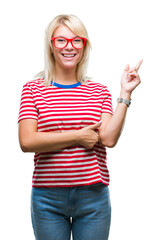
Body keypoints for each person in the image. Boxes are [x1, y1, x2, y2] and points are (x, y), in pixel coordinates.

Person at [18, 14, 143, 240]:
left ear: (84, 47)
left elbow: (108, 139)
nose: (69, 47)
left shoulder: (99, 91)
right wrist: (78, 136)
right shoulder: (32, 89)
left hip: (93, 198)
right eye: (61, 40)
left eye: (77, 40)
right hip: (47, 198)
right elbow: (27, 141)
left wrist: (125, 93)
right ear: (51, 45)